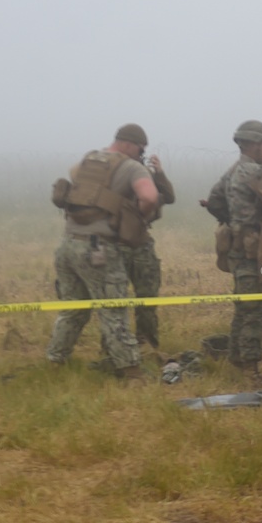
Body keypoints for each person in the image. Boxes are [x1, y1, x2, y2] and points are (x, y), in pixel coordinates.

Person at [46, 124, 159, 382]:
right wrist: (136, 217)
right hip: (98, 249)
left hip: (68, 245)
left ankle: (55, 361)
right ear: (131, 144)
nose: (140, 153)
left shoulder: (88, 161)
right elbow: (150, 197)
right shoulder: (131, 167)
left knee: (73, 309)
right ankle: (131, 372)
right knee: (114, 308)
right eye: (140, 148)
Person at [204, 120, 262, 383]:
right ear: (253, 144)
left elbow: (213, 201)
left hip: (238, 248)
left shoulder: (233, 170)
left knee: (244, 305)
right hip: (251, 252)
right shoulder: (252, 171)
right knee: (253, 310)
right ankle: (250, 370)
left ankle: (236, 357)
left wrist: (232, 221)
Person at [119, 153, 175, 349]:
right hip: (117, 245)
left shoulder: (146, 179)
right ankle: (117, 345)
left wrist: (158, 173)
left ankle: (147, 342)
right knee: (115, 301)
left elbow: (169, 197)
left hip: (142, 243)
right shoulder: (116, 177)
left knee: (148, 297)